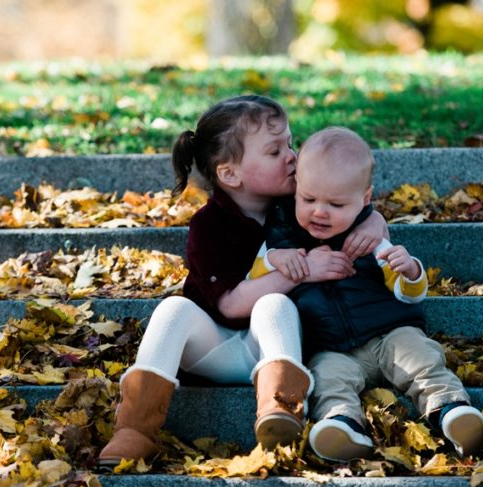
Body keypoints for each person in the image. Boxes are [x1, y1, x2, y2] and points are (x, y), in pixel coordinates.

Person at [97, 97, 389, 467]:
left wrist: (373, 223)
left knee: (275, 305)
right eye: (274, 151)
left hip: (274, 345)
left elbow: (352, 205)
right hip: (213, 346)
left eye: (290, 143)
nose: (292, 156)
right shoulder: (209, 226)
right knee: (173, 308)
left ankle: (280, 410)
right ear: (230, 174)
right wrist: (302, 270)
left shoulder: (303, 207)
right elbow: (231, 304)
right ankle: (134, 429)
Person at [251, 126, 483, 462]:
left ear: (365, 199)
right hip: (332, 347)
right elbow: (255, 274)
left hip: (389, 331)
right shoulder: (283, 237)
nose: (320, 211)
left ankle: (450, 410)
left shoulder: (368, 237)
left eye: (335, 203)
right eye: (309, 199)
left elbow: (409, 293)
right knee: (326, 380)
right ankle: (342, 425)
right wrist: (274, 259)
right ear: (296, 190)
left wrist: (410, 270)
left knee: (419, 358)